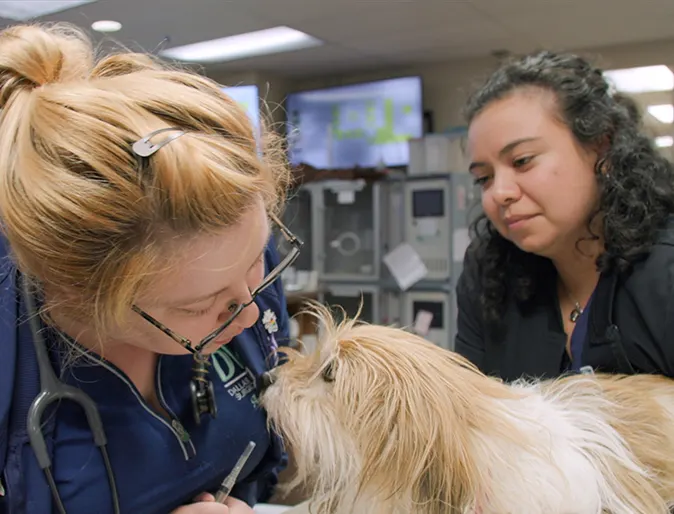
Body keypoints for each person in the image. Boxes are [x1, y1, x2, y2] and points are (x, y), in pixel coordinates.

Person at [0, 23, 300, 514]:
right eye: (199, 307)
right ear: (78, 292)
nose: (249, 313)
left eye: (258, 262)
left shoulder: (233, 273)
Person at [455, 50, 674, 382]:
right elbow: (468, 412)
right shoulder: (488, 276)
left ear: (602, 148)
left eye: (522, 160)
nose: (500, 193)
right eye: (484, 178)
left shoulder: (664, 272)